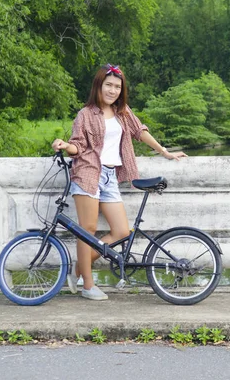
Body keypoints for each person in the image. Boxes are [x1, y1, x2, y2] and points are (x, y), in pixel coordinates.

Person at [52, 63, 187, 301]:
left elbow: (140, 131)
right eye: (108, 85)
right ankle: (87, 285)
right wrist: (66, 146)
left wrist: (164, 151)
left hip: (110, 177)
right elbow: (79, 145)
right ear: (99, 86)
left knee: (122, 231)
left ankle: (78, 268)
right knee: (88, 231)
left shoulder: (123, 112)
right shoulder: (86, 114)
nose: (112, 90)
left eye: (117, 86)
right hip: (87, 173)